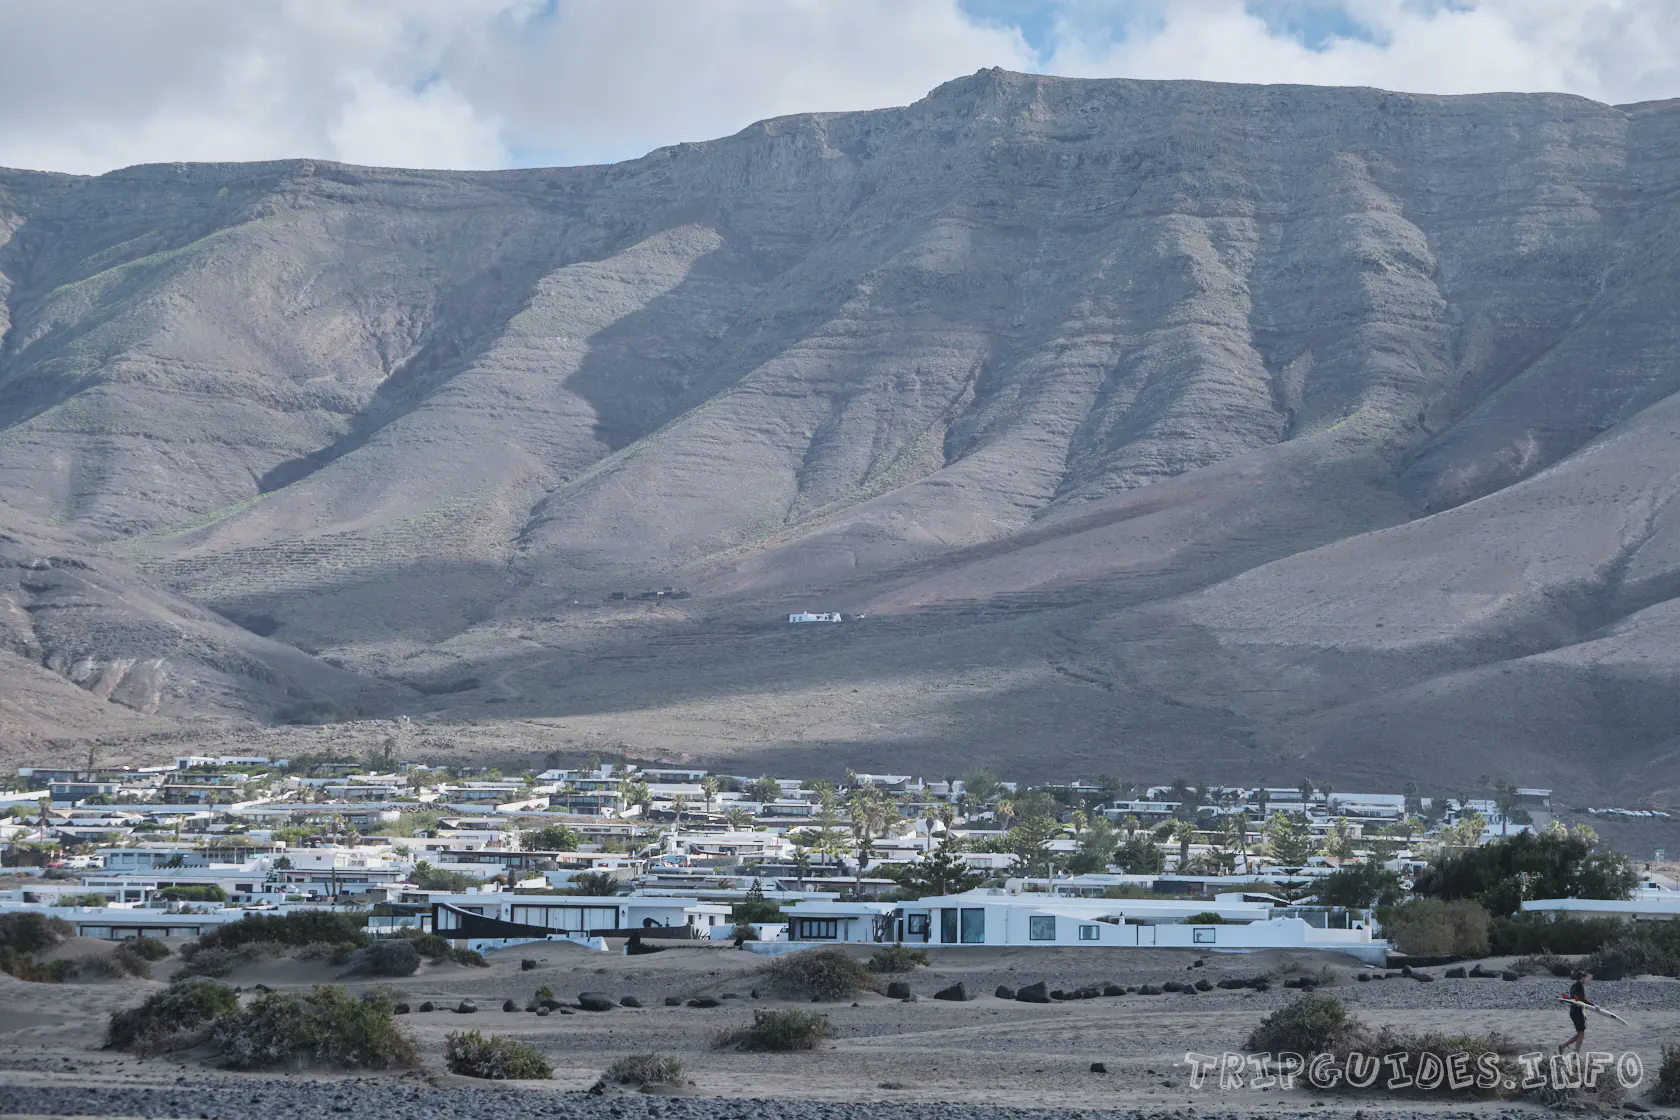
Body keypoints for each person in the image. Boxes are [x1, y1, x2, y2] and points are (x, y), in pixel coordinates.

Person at [1558, 970, 1590, 1055]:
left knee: (1580, 1034)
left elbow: (1576, 1000)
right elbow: (1581, 1000)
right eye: (1586, 978)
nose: (1587, 980)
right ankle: (1575, 1053)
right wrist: (1594, 1006)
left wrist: (1583, 1013)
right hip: (1577, 1012)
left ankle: (1564, 1046)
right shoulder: (1579, 986)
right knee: (1581, 1034)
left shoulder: (1573, 986)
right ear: (1581, 978)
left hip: (1573, 1011)